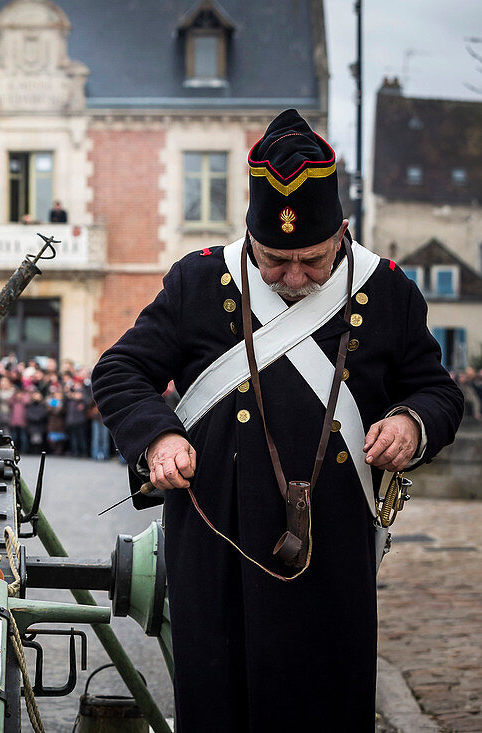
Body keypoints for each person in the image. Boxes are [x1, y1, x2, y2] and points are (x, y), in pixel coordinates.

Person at [91, 109, 463, 732]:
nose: (293, 277)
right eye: (274, 260)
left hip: (334, 541)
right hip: (216, 546)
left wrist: (411, 423)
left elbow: (438, 392)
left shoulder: (389, 290)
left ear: (343, 232)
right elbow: (119, 370)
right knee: (219, 707)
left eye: (313, 261)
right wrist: (158, 436)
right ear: (249, 236)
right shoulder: (198, 279)